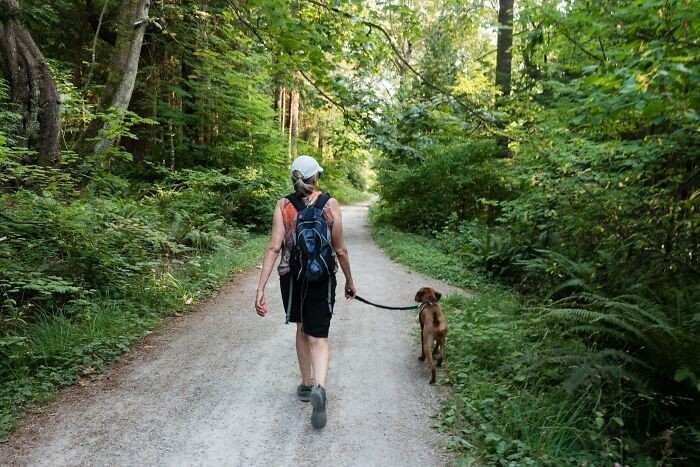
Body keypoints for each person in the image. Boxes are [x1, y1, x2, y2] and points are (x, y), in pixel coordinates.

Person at [255, 155, 356, 430]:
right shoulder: (330, 204)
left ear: (293, 178)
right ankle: (320, 387)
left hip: (293, 277)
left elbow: (274, 248)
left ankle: (305, 383)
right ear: (316, 177)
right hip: (322, 277)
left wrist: (260, 287)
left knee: (301, 328)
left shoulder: (283, 205)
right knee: (319, 336)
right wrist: (349, 280)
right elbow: (341, 249)